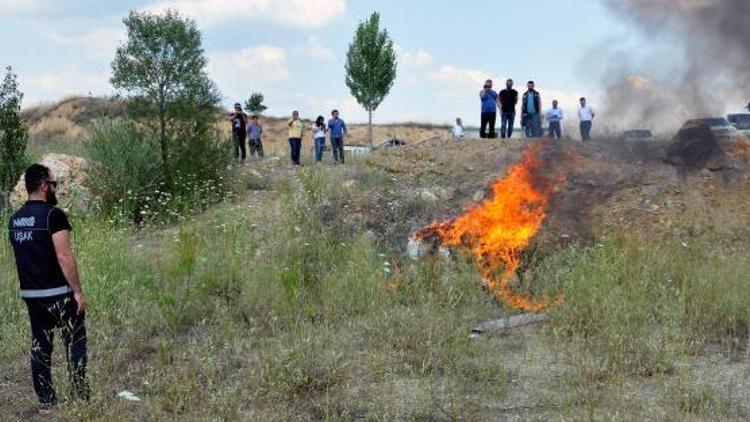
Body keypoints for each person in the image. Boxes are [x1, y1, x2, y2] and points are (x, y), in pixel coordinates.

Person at [8, 164, 89, 416]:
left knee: (40, 348)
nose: (55, 189)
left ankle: (46, 403)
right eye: (53, 184)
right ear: (43, 185)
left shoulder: (15, 220)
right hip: (59, 293)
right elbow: (64, 256)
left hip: (32, 295)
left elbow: (19, 259)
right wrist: (77, 291)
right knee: (75, 343)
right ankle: (81, 395)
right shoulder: (53, 215)